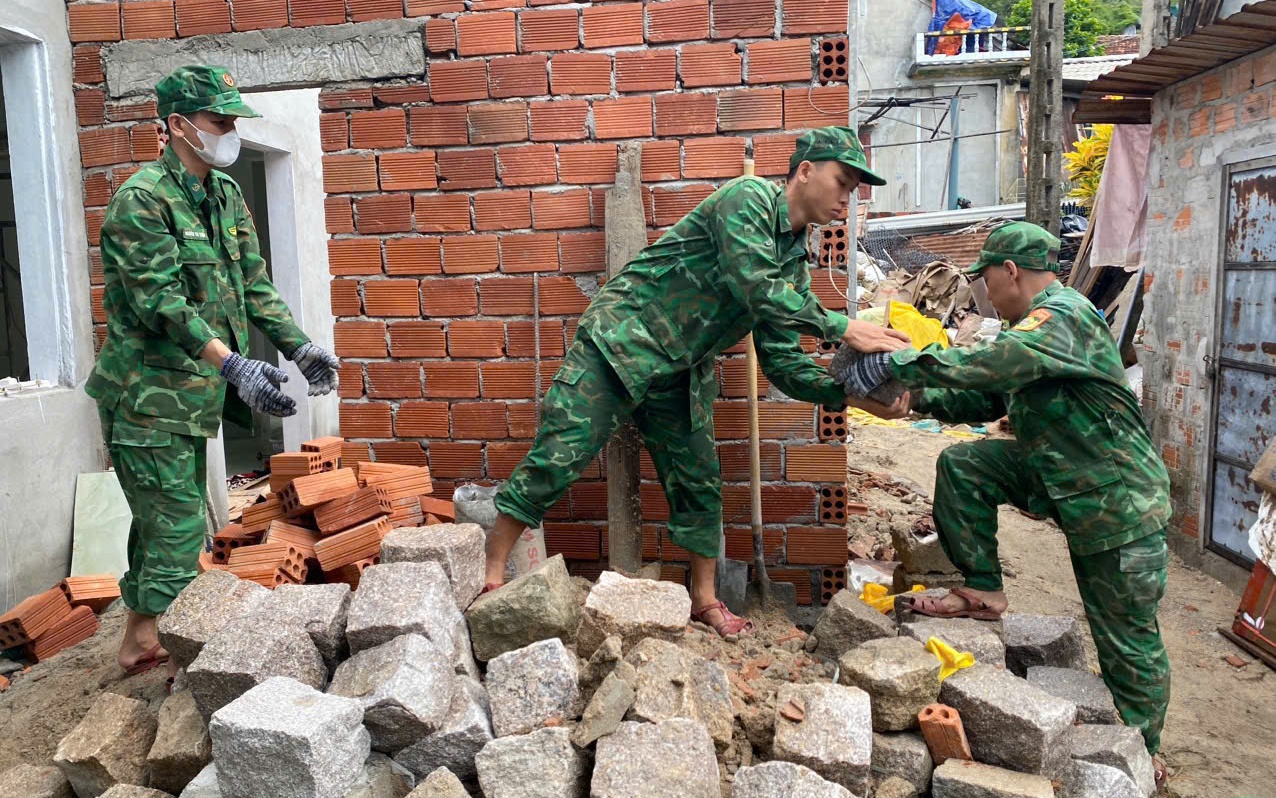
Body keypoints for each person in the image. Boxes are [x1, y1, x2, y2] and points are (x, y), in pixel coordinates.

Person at [484, 126, 912, 637]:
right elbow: (754, 283)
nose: (848, 198)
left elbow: (780, 363)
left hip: (680, 369)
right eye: (843, 182)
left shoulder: (795, 262)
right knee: (561, 455)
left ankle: (703, 601)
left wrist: (853, 398)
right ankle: (492, 575)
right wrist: (845, 326)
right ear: (805, 171)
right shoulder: (748, 198)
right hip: (623, 339)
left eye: (855, 190)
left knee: (699, 485)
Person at [836, 221, 1172, 783]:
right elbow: (986, 392)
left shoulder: (1062, 317)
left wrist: (894, 363)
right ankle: (983, 590)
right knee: (966, 464)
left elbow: (989, 365)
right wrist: (912, 401)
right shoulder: (1030, 337)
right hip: (1062, 480)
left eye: (986, 277)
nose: (983, 290)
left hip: (1119, 502)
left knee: (1125, 636)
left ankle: (1144, 751)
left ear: (1009, 271)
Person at [86, 65, 340, 677]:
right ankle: (182, 663)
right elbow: (160, 300)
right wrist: (232, 364)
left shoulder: (223, 195)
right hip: (145, 398)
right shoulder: (141, 201)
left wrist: (298, 347)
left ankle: (139, 641)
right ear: (178, 125)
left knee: (159, 527)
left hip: (188, 397)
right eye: (219, 122)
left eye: (232, 121)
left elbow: (252, 280)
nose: (230, 133)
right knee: (174, 534)